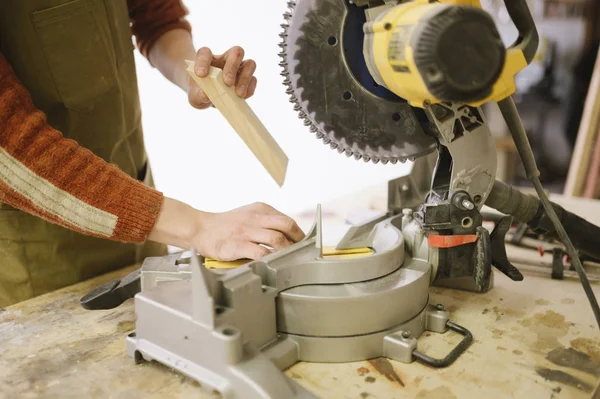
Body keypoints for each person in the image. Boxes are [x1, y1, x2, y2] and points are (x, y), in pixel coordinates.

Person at [0, 0, 305, 307]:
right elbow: (11, 146)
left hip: (144, 220)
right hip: (40, 258)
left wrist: (194, 73)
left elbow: (155, 15)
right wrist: (198, 227)